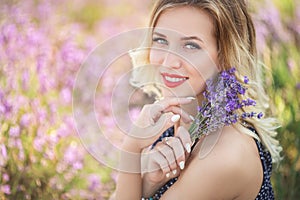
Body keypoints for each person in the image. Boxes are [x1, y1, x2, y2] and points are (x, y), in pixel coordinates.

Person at [114, 0, 282, 199]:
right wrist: (149, 183)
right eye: (160, 40)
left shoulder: (225, 156)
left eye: (191, 46)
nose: (168, 62)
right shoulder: (179, 123)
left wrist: (131, 148)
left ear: (224, 56)